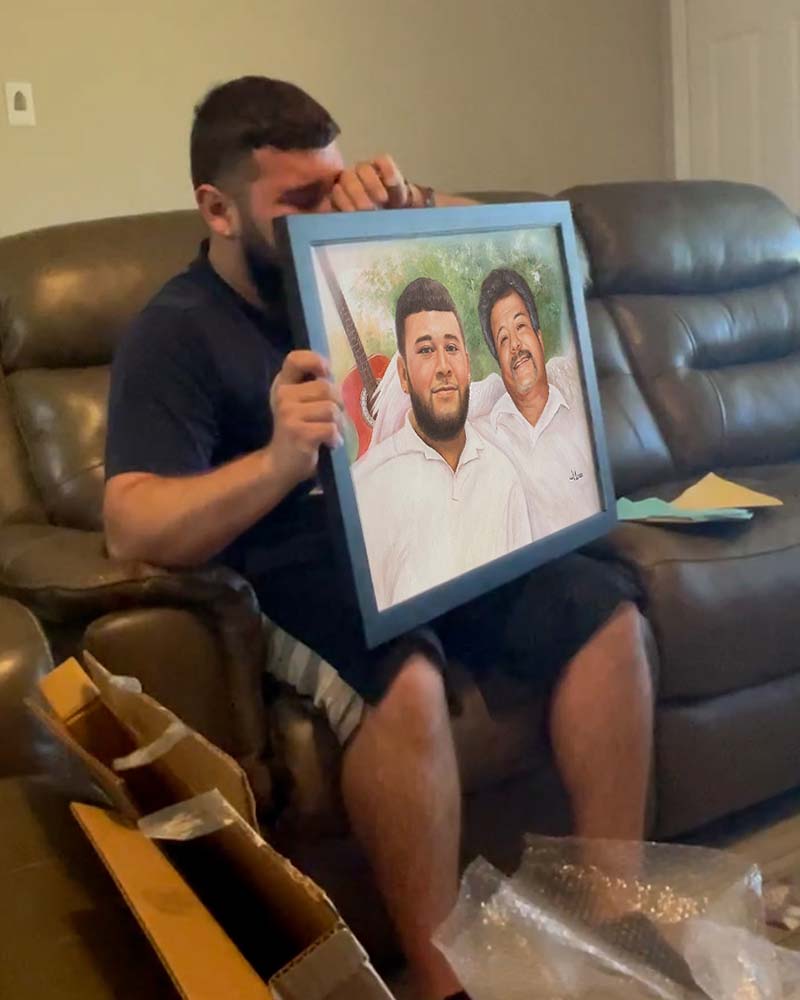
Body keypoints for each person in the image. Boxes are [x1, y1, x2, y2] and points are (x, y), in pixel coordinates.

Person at [103, 76, 654, 1000]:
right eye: (300, 201)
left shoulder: (361, 254)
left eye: (335, 183)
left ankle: (616, 923)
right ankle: (440, 984)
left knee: (607, 617)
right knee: (407, 683)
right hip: (292, 558)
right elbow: (130, 522)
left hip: (422, 519)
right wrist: (279, 461)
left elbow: (527, 253)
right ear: (218, 208)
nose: (328, 211)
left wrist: (414, 202)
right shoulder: (177, 331)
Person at [353, 277, 531, 609]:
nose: (444, 367)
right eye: (425, 351)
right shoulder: (364, 491)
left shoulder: (503, 474)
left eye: (451, 348)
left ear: (467, 363)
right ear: (403, 377)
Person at [473, 267, 600, 536]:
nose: (516, 345)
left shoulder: (579, 412)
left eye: (520, 326)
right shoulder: (485, 435)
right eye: (503, 339)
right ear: (499, 362)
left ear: (540, 339)